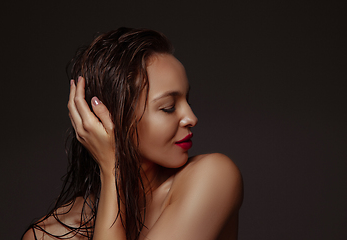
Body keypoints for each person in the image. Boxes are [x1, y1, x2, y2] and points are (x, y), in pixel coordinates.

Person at [22, 27, 243, 240]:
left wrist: (111, 170)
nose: (191, 118)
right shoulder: (48, 234)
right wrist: (112, 172)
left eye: (187, 100)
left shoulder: (213, 177)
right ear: (111, 119)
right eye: (168, 107)